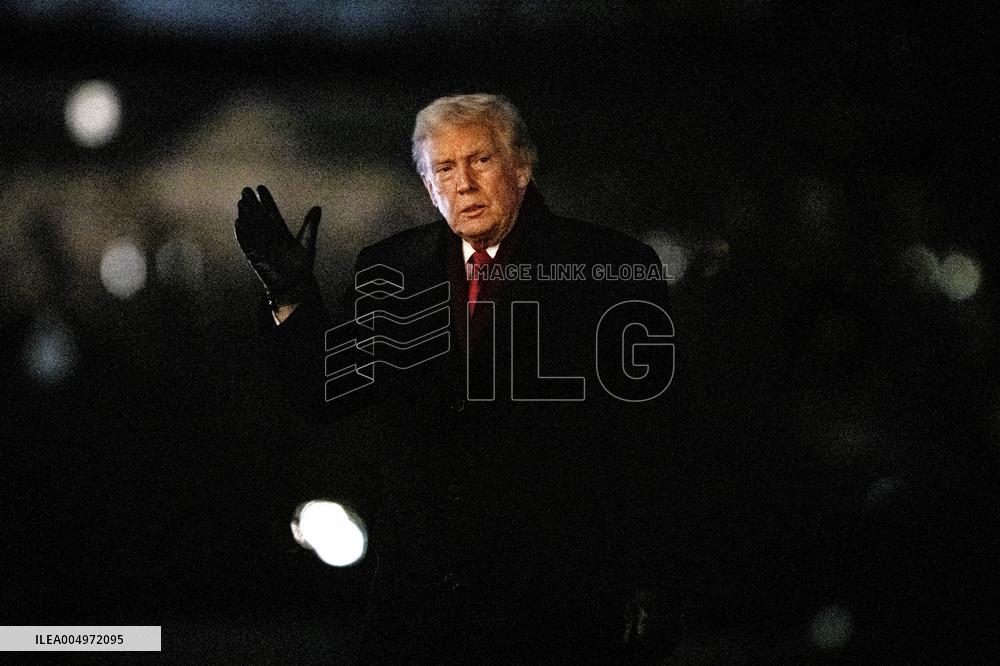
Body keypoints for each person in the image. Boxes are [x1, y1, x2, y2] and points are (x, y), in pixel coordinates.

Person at [235, 94, 684, 663]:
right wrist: (291, 297)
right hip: (422, 604)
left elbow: (655, 438)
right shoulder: (392, 268)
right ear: (426, 185)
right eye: (444, 168)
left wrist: (651, 581)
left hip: (560, 603)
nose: (464, 184)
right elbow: (324, 394)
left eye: (481, 161)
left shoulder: (609, 266)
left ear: (522, 167)